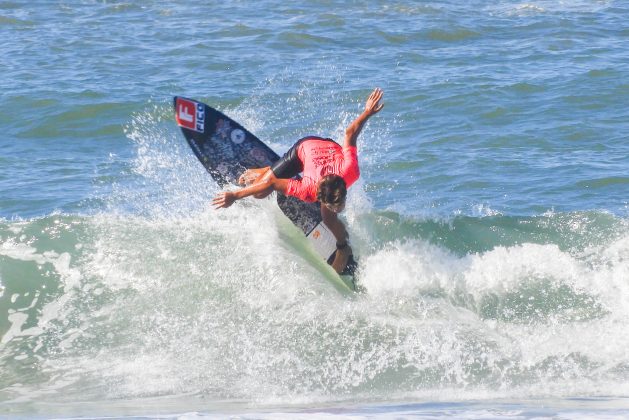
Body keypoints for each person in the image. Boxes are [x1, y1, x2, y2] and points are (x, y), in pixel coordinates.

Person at [212, 88, 384, 273]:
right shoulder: (307, 190)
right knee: (260, 193)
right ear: (319, 197)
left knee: (329, 217)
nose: (341, 206)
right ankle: (269, 167)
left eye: (340, 201)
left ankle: (343, 247)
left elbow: (350, 133)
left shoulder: (350, 171)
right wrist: (234, 195)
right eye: (336, 205)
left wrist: (367, 112)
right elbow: (271, 184)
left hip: (326, 146)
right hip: (304, 148)